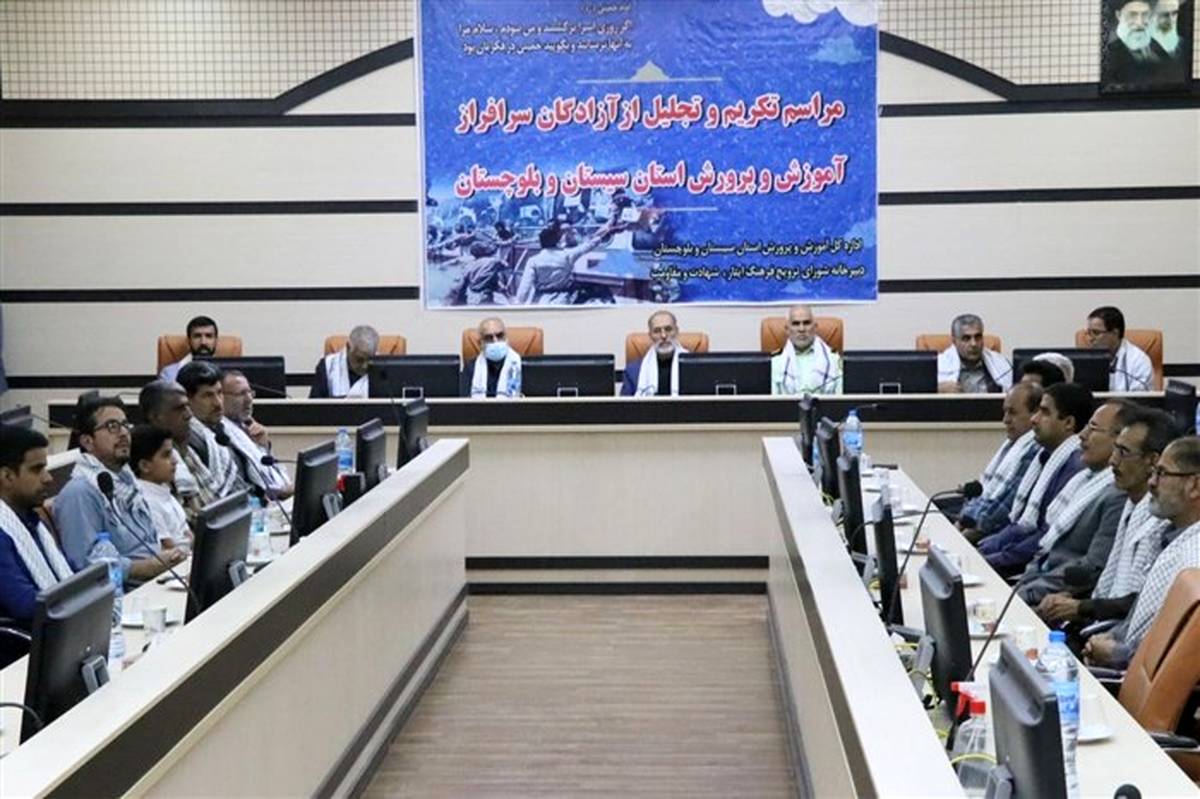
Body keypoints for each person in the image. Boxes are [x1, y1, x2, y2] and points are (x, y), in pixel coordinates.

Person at [1036, 408, 1177, 627]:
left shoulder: (1162, 523)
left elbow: (1147, 601)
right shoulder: (1132, 506)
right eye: (1115, 450)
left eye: (1123, 452)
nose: (1113, 461)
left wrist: (1082, 607)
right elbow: (1108, 581)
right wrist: (1072, 598)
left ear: (1152, 461)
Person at [1084, 436, 1200, 668]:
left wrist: (1116, 653)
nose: (1151, 482)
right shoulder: (1165, 537)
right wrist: (1112, 636)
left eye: (1162, 473)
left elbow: (1174, 651)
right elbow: (1139, 622)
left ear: (1195, 486)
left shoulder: (1193, 558)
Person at [1015, 401, 1139, 604]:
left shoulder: (1118, 497)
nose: (1082, 435)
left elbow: (1090, 569)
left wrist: (1024, 594)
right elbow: (1046, 547)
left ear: (1119, 439)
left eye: (1093, 428)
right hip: (1035, 583)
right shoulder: (1085, 480)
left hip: (1057, 600)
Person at [53, 395, 186, 579]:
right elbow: (88, 566)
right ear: (87, 441)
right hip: (127, 590)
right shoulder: (80, 493)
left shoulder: (126, 481)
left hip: (157, 579)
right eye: (112, 426)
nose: (123, 433)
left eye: (125, 425)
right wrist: (147, 567)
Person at [977, 382, 1092, 576]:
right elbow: (1021, 524)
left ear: (1068, 423)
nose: (1034, 419)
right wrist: (983, 550)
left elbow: (1044, 537)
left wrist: (988, 560)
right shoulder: (1045, 457)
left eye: (1044, 412)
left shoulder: (1074, 468)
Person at [0, 426, 73, 627]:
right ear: (7, 476)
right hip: (25, 641)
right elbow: (24, 604)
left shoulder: (31, 521)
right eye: (36, 469)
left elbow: (68, 572)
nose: (48, 478)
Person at [958, 383, 1044, 543]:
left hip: (993, 534)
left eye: (1012, 413)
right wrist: (961, 521)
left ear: (1035, 414)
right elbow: (983, 490)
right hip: (977, 520)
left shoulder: (1033, 450)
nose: (1005, 420)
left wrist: (959, 538)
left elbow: (1001, 510)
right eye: (1005, 412)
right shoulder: (1013, 443)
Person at [176, 362, 248, 502]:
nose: (218, 403)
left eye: (219, 393)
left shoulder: (227, 429)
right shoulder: (190, 439)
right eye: (208, 395)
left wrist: (263, 446)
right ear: (187, 400)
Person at [514, 218, 618, 305]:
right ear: (556, 240)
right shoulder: (567, 255)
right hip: (562, 301)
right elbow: (589, 245)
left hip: (540, 301)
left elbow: (524, 288)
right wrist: (605, 233)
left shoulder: (533, 261)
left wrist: (518, 304)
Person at [223, 370, 291, 498]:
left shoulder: (247, 428)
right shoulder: (223, 433)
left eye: (250, 392)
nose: (249, 399)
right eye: (241, 394)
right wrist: (286, 491)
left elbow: (274, 473)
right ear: (221, 397)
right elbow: (253, 488)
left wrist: (264, 447)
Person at [129, 424, 191, 551]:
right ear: (145, 466)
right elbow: (168, 548)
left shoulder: (163, 491)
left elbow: (188, 533)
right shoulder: (146, 501)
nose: (175, 461)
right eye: (166, 455)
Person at [770, 304, 841, 395]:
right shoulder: (775, 362)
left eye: (806, 323)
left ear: (815, 327)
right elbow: (769, 401)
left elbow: (842, 399)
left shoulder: (834, 360)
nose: (801, 329)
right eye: (796, 324)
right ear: (787, 329)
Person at [936, 314, 1012, 394]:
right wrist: (937, 389)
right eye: (966, 338)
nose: (974, 344)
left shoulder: (1000, 362)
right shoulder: (939, 365)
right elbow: (926, 389)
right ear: (954, 341)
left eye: (978, 337)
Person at [1085, 306, 1154, 391]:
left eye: (1096, 333)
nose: (1090, 338)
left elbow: (1139, 396)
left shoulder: (1138, 360)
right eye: (1088, 333)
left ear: (1115, 333)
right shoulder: (1085, 360)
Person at [622, 310, 688, 397]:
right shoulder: (633, 371)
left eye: (668, 329)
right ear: (650, 335)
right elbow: (624, 404)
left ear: (676, 331)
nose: (663, 336)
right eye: (657, 331)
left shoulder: (693, 367)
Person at [1102, 0, 1167, 85]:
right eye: (1132, 15)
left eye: (1145, 14)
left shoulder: (1156, 46)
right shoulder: (1109, 54)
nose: (1139, 22)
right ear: (1119, 15)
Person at [310, 325, 379, 399]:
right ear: (348, 348)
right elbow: (315, 403)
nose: (364, 366)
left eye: (369, 360)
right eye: (359, 360)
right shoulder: (327, 367)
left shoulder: (382, 368)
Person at [462, 317, 522, 399]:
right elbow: (463, 401)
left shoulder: (520, 365)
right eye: (489, 338)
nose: (495, 341)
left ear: (506, 338)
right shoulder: (471, 367)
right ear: (480, 343)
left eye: (500, 336)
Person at [444, 241, 512, 306]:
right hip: (485, 295)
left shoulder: (470, 263)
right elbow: (506, 266)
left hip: (472, 294)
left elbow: (461, 282)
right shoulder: (494, 261)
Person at [159, 315, 219, 382]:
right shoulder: (170, 374)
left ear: (216, 340)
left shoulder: (227, 372)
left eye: (209, 336)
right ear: (189, 340)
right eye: (197, 336)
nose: (203, 342)